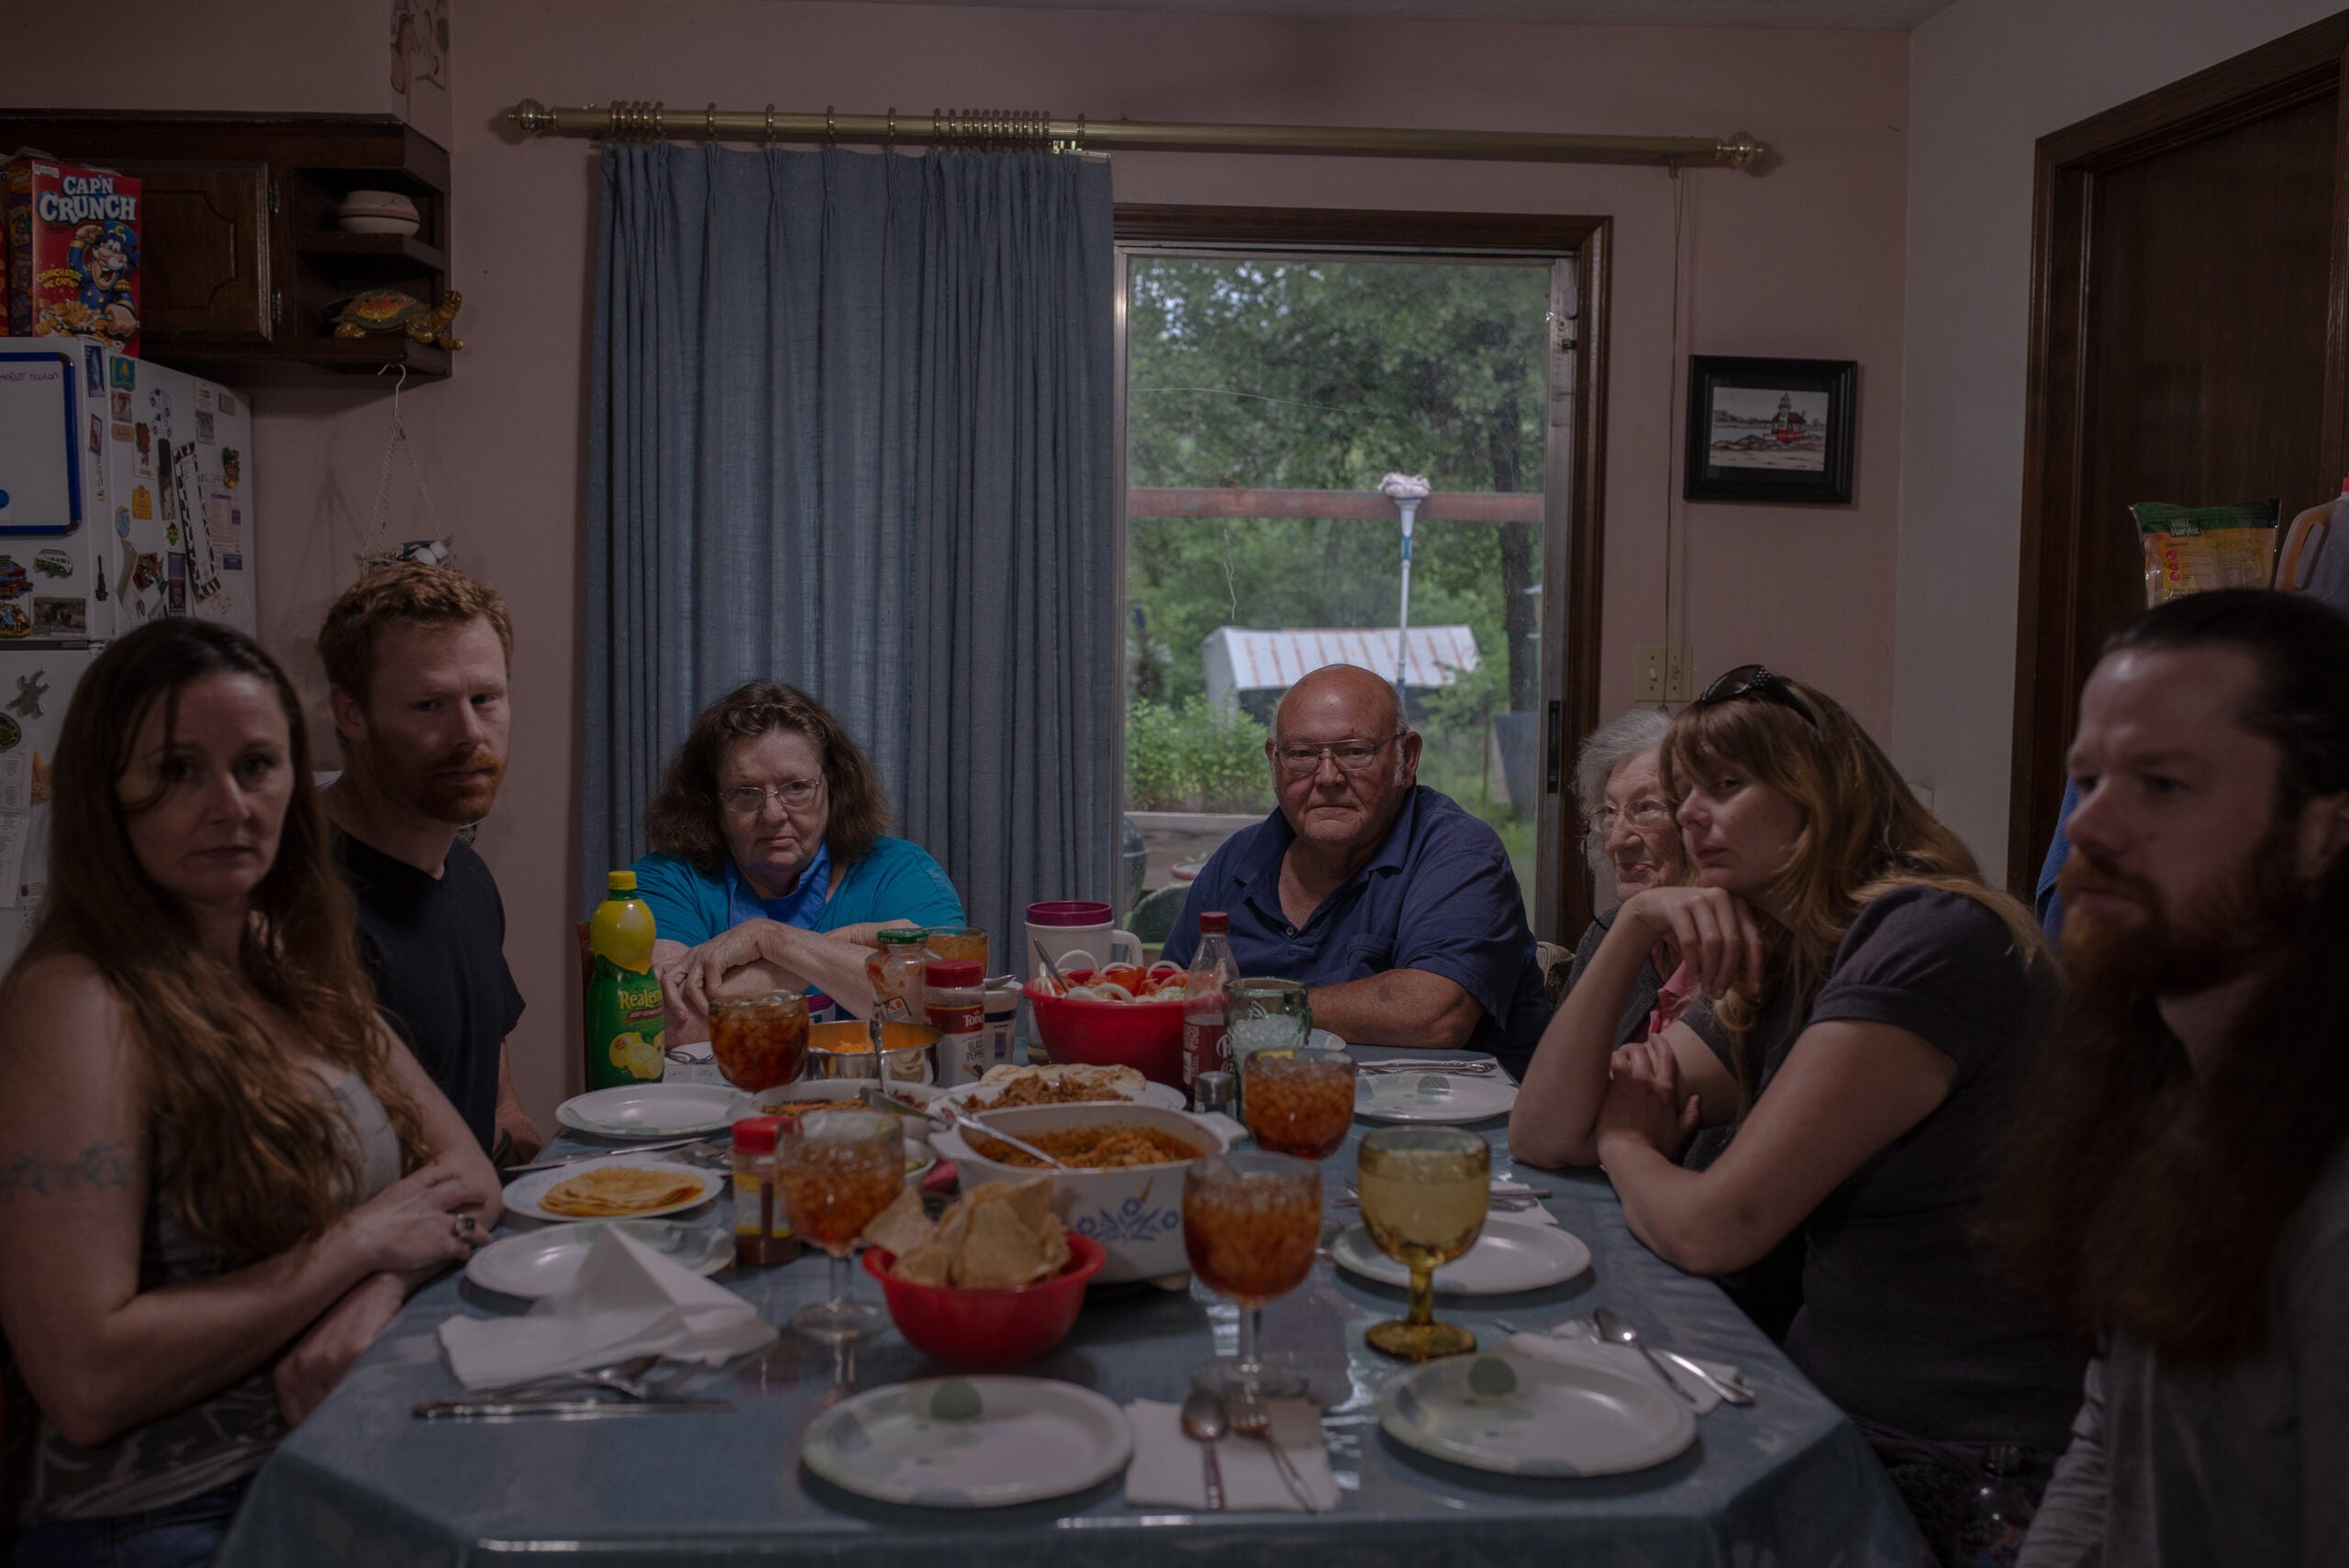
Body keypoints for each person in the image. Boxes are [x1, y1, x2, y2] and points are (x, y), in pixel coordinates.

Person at [1508, 663, 2084, 1524]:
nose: (1691, 814)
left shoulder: (1927, 938)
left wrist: (1627, 1142)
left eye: (1725, 787)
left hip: (1960, 1465)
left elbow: (1714, 1228)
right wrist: (1634, 924)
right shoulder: (1802, 954)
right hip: (1827, 1408)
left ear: (1822, 795)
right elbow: (1546, 1131)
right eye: (1684, 792)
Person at [0, 620, 495, 1563]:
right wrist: (350, 1245)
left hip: (334, 1462)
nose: (230, 803)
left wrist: (379, 1284)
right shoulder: (76, 999)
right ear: (108, 794)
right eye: (179, 769)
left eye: (257, 764)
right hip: (168, 1515)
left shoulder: (283, 960)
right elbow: (85, 1375)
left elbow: (468, 1176)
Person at [1999, 590, 2349, 1567]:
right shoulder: (2175, 1091)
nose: (2088, 827)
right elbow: (2112, 1443)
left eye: (2160, 783)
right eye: (2086, 779)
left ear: (2325, 832)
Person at [1160, 663, 1548, 1074]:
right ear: (1274, 760)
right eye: (1301, 754)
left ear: (1408, 757)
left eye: (1354, 751)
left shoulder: (1460, 853)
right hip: (1252, 1113)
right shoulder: (1239, 858)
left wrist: (1247, 1005)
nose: (1327, 777)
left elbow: (1434, 1015)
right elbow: (1169, 995)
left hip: (1439, 1129)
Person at [317, 562, 541, 1165]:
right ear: (350, 713)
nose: (469, 732)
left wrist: (523, 1143)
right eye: (428, 705)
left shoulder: (467, 878)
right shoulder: (295, 897)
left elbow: (499, 1110)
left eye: (485, 698)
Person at [632, 681, 964, 1038]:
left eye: (796, 788)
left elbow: (941, 1006)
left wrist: (771, 939)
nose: (773, 814)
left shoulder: (899, 872)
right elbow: (668, 1026)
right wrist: (834, 951)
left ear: (834, 788)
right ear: (711, 800)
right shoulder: (665, 881)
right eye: (746, 792)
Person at [1557, 707, 1683, 1040]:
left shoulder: (1733, 948)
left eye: (1646, 808)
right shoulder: (1608, 935)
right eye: (1609, 812)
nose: (1616, 839)